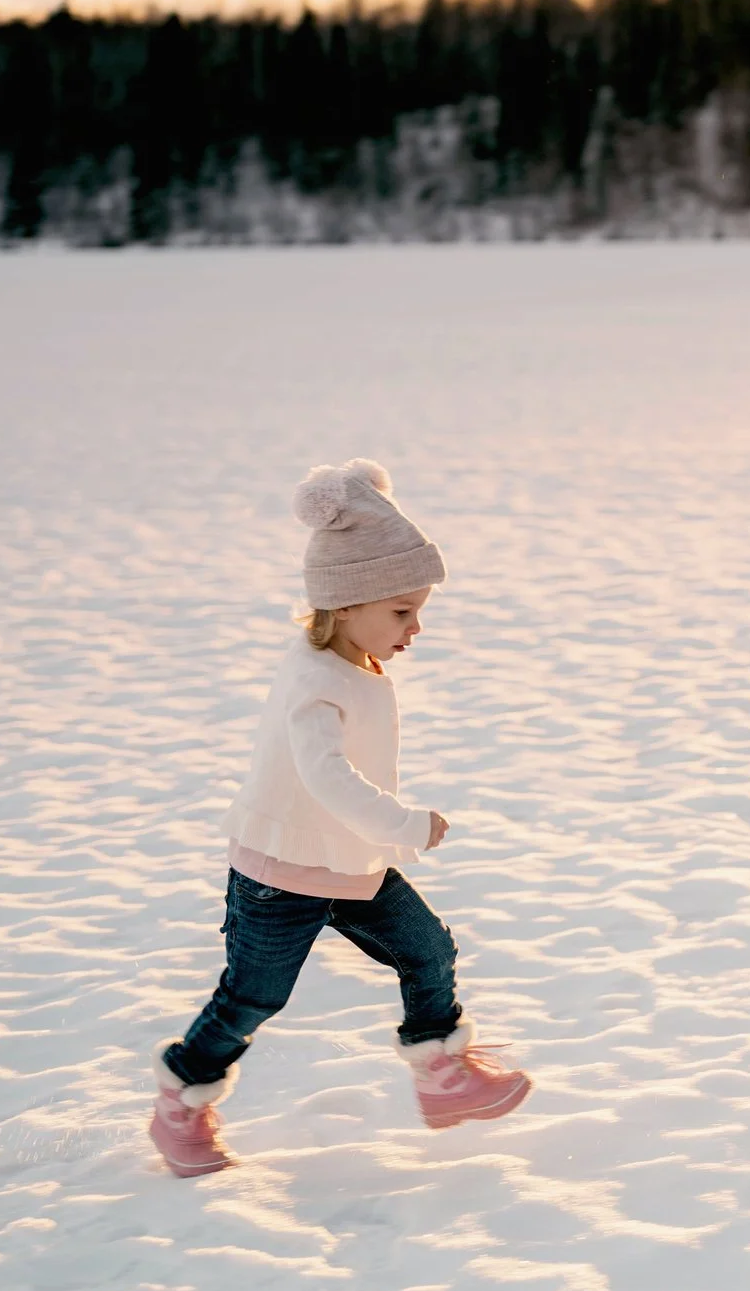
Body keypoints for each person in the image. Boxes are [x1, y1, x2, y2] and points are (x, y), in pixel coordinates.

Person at [147, 459, 530, 1177]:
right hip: (283, 872)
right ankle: (179, 1107)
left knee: (428, 949)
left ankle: (442, 1076)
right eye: (401, 611)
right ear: (346, 603)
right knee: (253, 995)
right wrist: (406, 823)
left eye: (418, 610)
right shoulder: (316, 679)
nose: (416, 627)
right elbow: (327, 777)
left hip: (350, 861)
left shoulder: (353, 659)